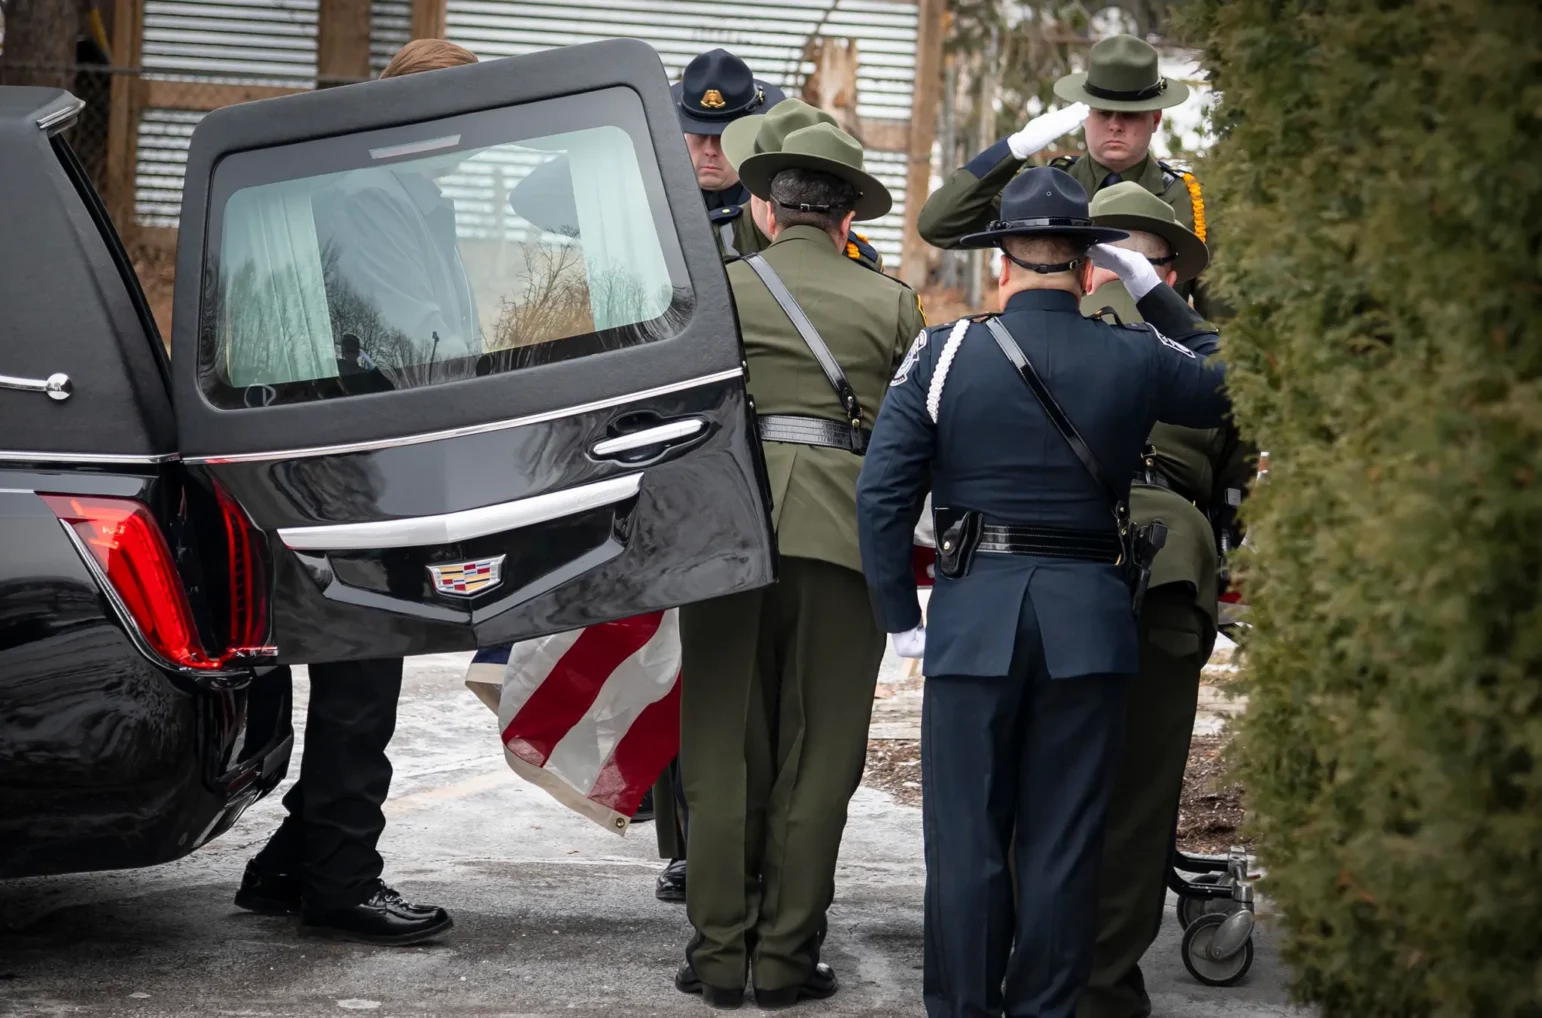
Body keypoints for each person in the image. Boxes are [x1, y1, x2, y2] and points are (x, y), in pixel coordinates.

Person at [855, 166, 1229, 1018]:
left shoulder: (944, 353)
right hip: (1089, 624)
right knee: (1065, 843)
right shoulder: (1136, 351)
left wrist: (897, 618)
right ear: (1090, 266)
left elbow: (881, 494)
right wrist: (1158, 297)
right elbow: (1229, 381)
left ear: (1001, 266)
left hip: (973, 617)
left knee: (965, 843)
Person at [231, 38, 482, 947]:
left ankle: (287, 867)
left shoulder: (401, 194)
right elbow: (413, 334)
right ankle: (341, 881)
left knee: (360, 667)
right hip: (357, 462)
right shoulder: (373, 196)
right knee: (362, 671)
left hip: (363, 455)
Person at [675, 122, 926, 1009]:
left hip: (723, 534)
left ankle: (717, 955)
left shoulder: (717, 290)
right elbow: (911, 443)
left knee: (718, 749)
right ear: (849, 210)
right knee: (818, 755)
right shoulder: (890, 303)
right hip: (841, 534)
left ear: (769, 207)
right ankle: (783, 960)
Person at [1076, 182, 1252, 1018]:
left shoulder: (1043, 336)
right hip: (1172, 567)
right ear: (1173, 275)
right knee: (1143, 793)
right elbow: (1232, 482)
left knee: (1049, 777)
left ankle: (1033, 956)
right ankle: (1109, 980)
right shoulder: (1203, 361)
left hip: (1063, 562)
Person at [916, 34, 1221, 319]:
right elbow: (939, 225)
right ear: (1085, 114)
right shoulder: (1046, 191)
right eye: (1103, 112)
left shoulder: (1188, 200)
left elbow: (1220, 316)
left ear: (1155, 119)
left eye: (1130, 114)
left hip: (1158, 367)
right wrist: (1013, 149)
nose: (1115, 125)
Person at [712, 97, 888, 272]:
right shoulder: (709, 242)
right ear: (756, 184)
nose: (804, 209)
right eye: (786, 190)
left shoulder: (860, 263)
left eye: (822, 196)